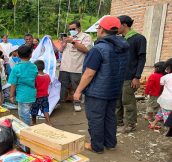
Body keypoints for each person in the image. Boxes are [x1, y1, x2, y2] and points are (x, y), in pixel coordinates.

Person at [73, 16, 129, 153]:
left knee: (96, 118)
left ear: (102, 30)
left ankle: (96, 146)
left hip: (97, 91)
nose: (97, 29)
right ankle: (110, 142)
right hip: (114, 89)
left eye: (98, 27)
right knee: (110, 116)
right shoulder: (123, 46)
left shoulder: (98, 49)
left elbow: (89, 73)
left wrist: (78, 91)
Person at [116, 15, 147, 133]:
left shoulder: (139, 38)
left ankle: (130, 124)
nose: (115, 27)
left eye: (117, 24)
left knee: (127, 101)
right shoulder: (119, 39)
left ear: (124, 25)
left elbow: (141, 59)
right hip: (118, 76)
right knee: (117, 101)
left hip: (129, 77)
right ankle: (118, 122)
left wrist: (137, 76)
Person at [59, 20, 93, 112]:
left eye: (73, 29)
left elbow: (86, 49)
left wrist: (73, 42)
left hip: (77, 67)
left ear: (79, 28)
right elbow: (61, 50)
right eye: (70, 29)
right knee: (63, 86)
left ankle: (77, 103)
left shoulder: (86, 37)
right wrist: (63, 43)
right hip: (64, 67)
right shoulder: (68, 37)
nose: (71, 30)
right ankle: (60, 103)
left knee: (77, 86)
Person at [8, 45, 38, 125]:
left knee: (24, 116)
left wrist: (11, 96)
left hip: (22, 96)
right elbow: (36, 80)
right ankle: (30, 128)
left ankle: (27, 131)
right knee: (29, 113)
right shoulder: (34, 66)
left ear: (18, 54)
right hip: (32, 94)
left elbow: (13, 84)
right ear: (31, 55)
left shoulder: (16, 68)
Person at [148, 59, 172, 129]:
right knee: (161, 111)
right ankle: (153, 123)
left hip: (166, 99)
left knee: (166, 115)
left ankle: (168, 129)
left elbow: (161, 84)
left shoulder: (164, 77)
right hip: (168, 100)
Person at [31, 60, 51, 125]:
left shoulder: (35, 77)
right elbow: (49, 83)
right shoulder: (47, 76)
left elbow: (34, 85)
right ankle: (48, 122)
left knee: (34, 110)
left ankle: (34, 122)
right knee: (45, 109)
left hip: (36, 96)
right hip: (45, 96)